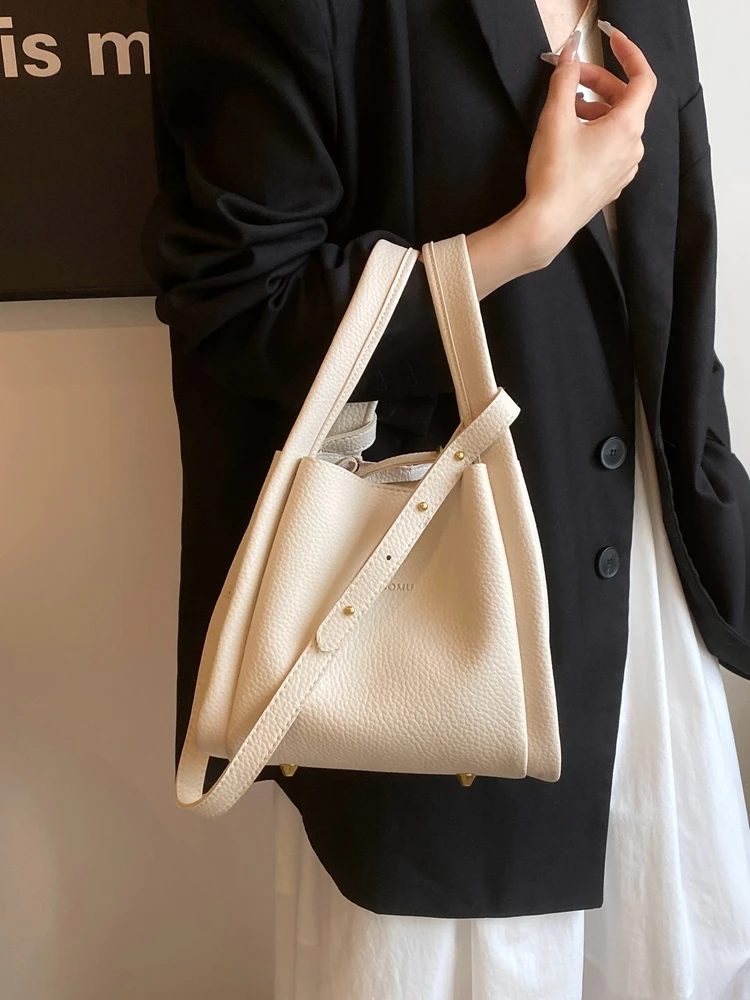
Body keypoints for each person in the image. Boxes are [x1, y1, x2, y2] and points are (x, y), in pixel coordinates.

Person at [140, 0, 750, 995]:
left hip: (645, 623)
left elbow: (675, 274)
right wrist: (527, 234)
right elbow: (241, 307)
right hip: (430, 636)